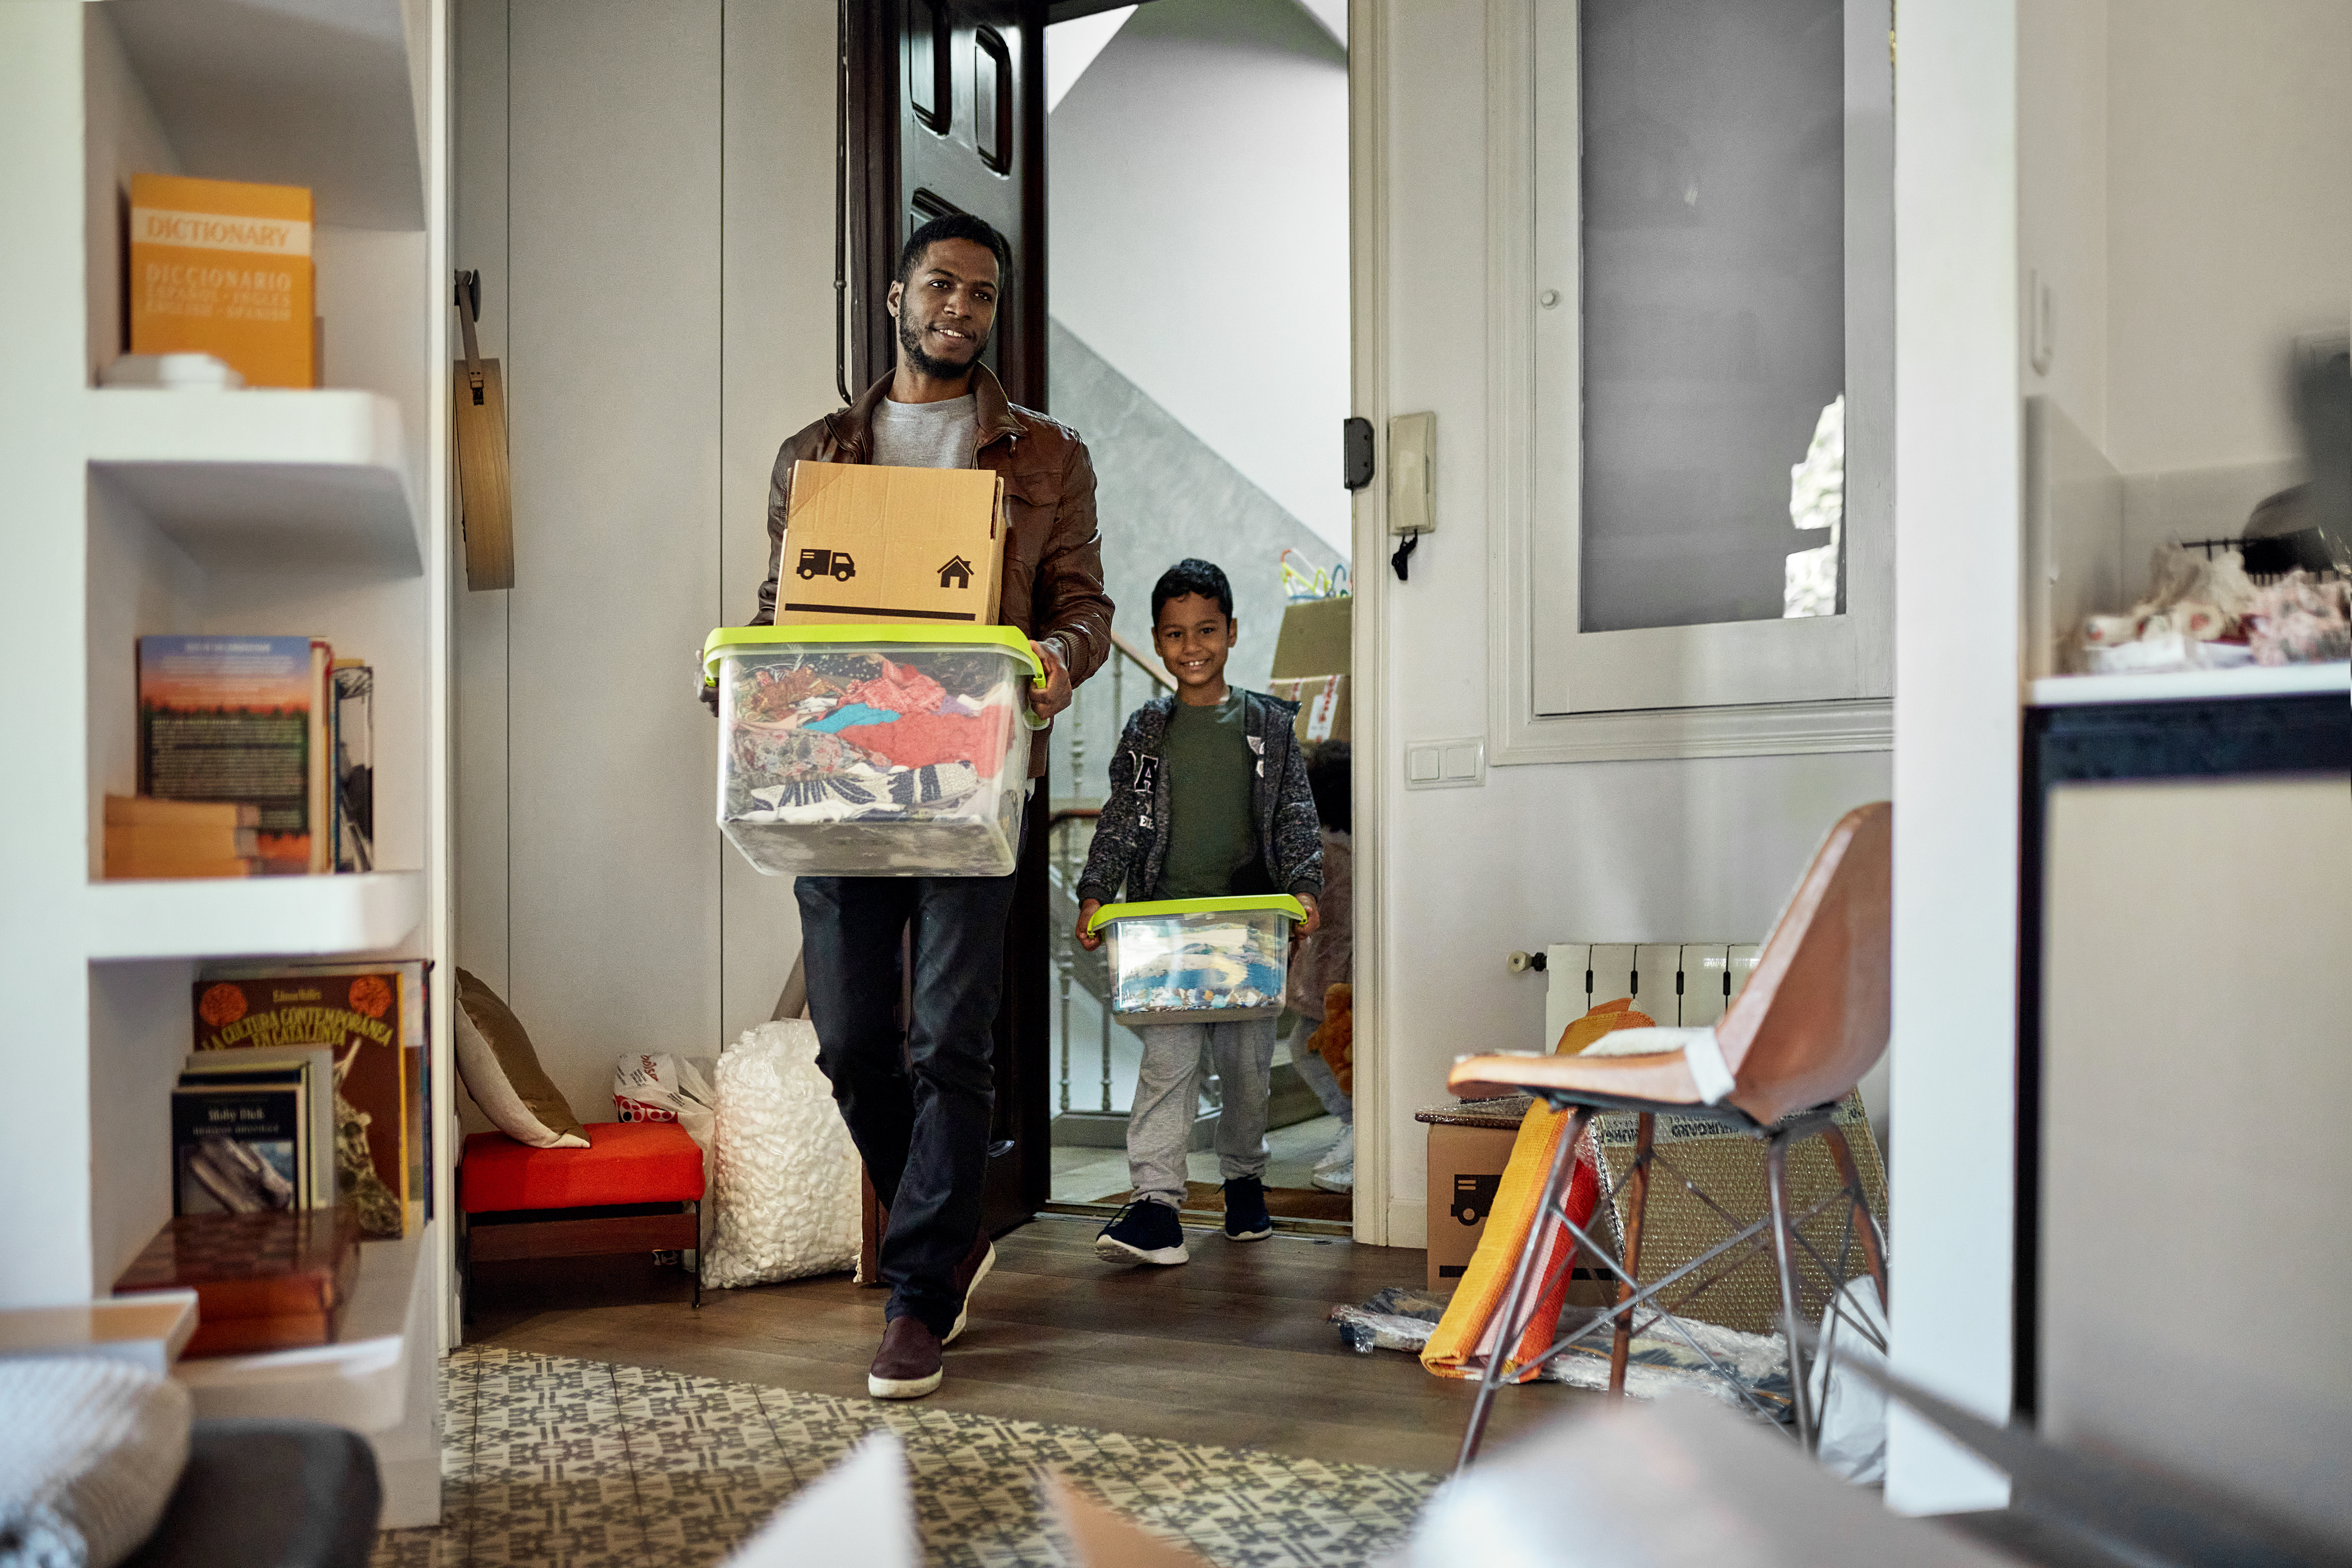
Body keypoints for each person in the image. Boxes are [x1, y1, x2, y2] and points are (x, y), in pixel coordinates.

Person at [751, 212, 1113, 1401]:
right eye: (941, 286)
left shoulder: (1047, 456)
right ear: (899, 295)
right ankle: (949, 1234)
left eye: (981, 296)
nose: (960, 309)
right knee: (853, 1038)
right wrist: (746, 676)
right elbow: (783, 608)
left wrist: (1053, 662)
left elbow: (1084, 610)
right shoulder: (814, 454)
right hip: (841, 775)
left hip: (969, 775)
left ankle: (915, 1296)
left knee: (947, 1036)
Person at [1073, 559, 1322, 1265]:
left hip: (1250, 926)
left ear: (1232, 632)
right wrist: (1095, 892)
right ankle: (1156, 1206)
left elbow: (1297, 820)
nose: (1193, 647)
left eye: (1207, 630)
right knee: (1167, 1065)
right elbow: (1121, 819)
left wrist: (1305, 889)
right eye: (1177, 634)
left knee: (1246, 1071)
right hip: (1165, 930)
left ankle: (1245, 1184)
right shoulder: (1147, 731)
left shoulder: (1268, 726)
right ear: (1157, 641)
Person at [1286, 741, 1354, 1193]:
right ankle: (1356, 1124)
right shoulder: (1355, 848)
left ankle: (1356, 1124)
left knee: (1309, 1048)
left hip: (1331, 978)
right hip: (1345, 975)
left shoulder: (1325, 854)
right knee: (1331, 1051)